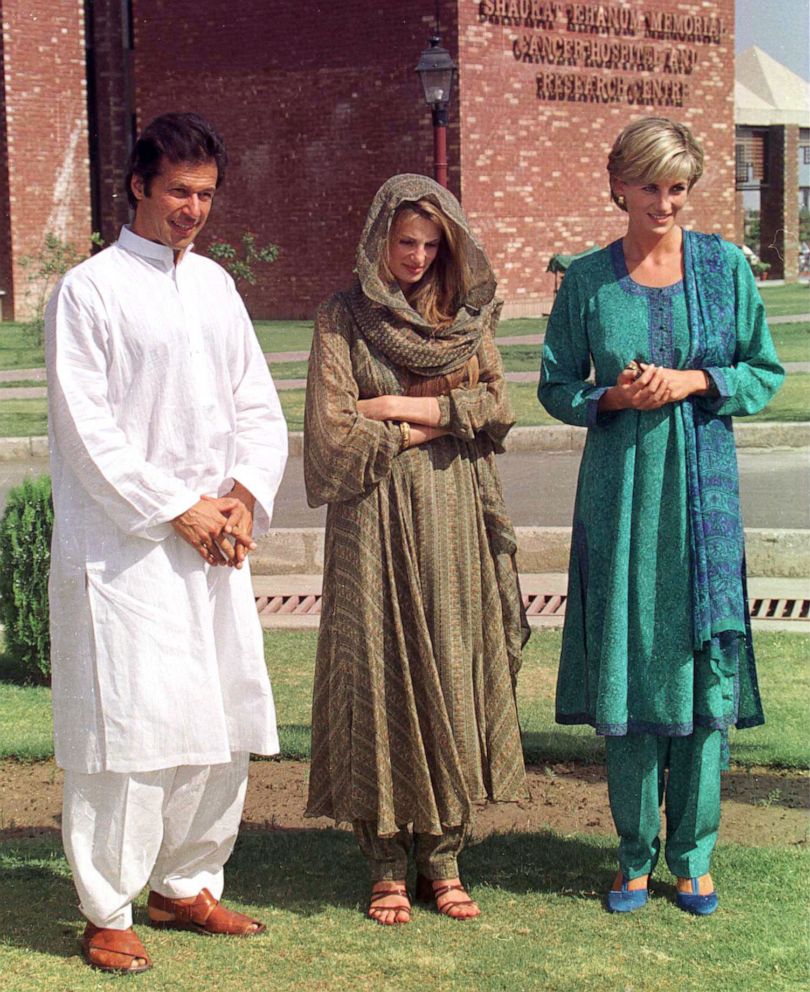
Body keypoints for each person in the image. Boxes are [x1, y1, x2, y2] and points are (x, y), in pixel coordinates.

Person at [45, 112, 288, 973]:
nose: (193, 209)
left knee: (220, 715)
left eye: (207, 195)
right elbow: (90, 434)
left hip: (215, 545)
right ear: (139, 185)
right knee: (132, 725)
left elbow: (256, 406)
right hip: (127, 548)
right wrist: (180, 507)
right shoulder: (89, 290)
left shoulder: (217, 286)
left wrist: (246, 498)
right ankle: (107, 904)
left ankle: (185, 883)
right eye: (179, 191)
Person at [539, 117, 784, 915]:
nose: (665, 202)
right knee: (632, 662)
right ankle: (633, 854)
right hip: (620, 494)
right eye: (650, 185)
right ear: (619, 183)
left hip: (703, 501)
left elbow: (762, 370)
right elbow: (554, 385)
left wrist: (691, 382)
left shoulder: (723, 268)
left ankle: (696, 854)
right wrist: (612, 393)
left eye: (678, 187)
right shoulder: (587, 281)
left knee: (699, 663)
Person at [303, 174, 528, 925]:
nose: (419, 257)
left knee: (453, 663)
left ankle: (445, 856)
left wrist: (400, 407)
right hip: (371, 521)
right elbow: (332, 431)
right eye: (407, 242)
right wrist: (437, 424)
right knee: (380, 673)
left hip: (455, 519)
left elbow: (498, 406)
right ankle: (386, 864)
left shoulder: (466, 318)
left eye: (434, 245)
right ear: (379, 239)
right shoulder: (342, 317)